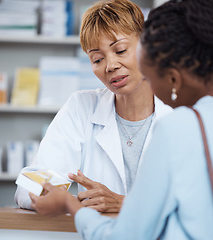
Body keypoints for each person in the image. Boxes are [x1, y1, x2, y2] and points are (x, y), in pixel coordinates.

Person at [29, 0, 213, 239]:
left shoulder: (180, 127)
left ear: (173, 77)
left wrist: (69, 204)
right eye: (97, 58)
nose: (111, 66)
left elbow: (126, 236)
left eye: (153, 77)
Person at [15, 0, 172, 213]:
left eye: (121, 50)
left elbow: (201, 201)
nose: (110, 66)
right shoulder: (82, 107)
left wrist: (124, 203)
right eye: (97, 59)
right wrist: (58, 198)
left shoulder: (181, 112)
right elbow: (28, 190)